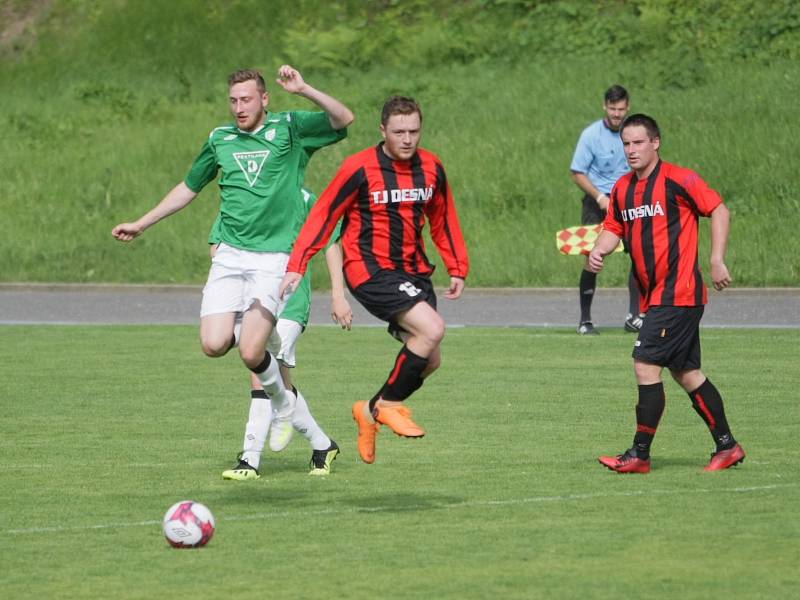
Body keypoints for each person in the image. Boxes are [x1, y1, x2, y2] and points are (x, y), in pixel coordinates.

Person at [112, 66, 354, 454]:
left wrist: (304, 89)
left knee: (250, 352)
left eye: (246, 99)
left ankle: (280, 410)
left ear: (264, 99)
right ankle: (286, 401)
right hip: (229, 257)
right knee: (212, 344)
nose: (239, 107)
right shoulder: (220, 139)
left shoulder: (290, 129)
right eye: (233, 100)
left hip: (274, 258)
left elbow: (344, 119)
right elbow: (188, 188)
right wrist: (143, 223)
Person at [279, 95, 470, 464]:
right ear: (382, 130)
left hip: (414, 272)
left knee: (430, 359)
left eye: (414, 130)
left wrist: (457, 265)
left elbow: (442, 217)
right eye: (399, 131)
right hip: (368, 269)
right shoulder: (360, 168)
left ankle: (369, 411)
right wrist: (298, 262)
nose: (407, 138)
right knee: (431, 329)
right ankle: (389, 404)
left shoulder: (431, 168)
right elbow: (322, 215)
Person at [589, 113, 745, 473]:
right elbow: (614, 226)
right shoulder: (624, 188)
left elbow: (719, 209)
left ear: (655, 142)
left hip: (679, 292)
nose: (631, 150)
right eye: (626, 143)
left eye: (638, 142)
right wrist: (600, 249)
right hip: (658, 295)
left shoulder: (679, 179)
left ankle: (639, 454)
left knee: (645, 364)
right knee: (687, 373)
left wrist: (717, 259)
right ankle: (727, 446)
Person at [217, 190, 350, 479]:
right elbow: (218, 246)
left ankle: (250, 461)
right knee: (279, 386)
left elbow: (330, 244)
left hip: (290, 301)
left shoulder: (305, 200)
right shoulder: (243, 196)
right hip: (254, 301)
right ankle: (323, 445)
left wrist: (338, 296)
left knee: (260, 372)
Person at [570, 84, 644, 335]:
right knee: (593, 258)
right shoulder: (591, 135)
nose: (616, 114)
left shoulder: (633, 135)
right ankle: (585, 320)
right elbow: (577, 172)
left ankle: (634, 316)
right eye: (612, 109)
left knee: (638, 256)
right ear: (605, 106)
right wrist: (601, 197)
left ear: (628, 107)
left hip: (627, 202)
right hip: (597, 202)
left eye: (621, 109)